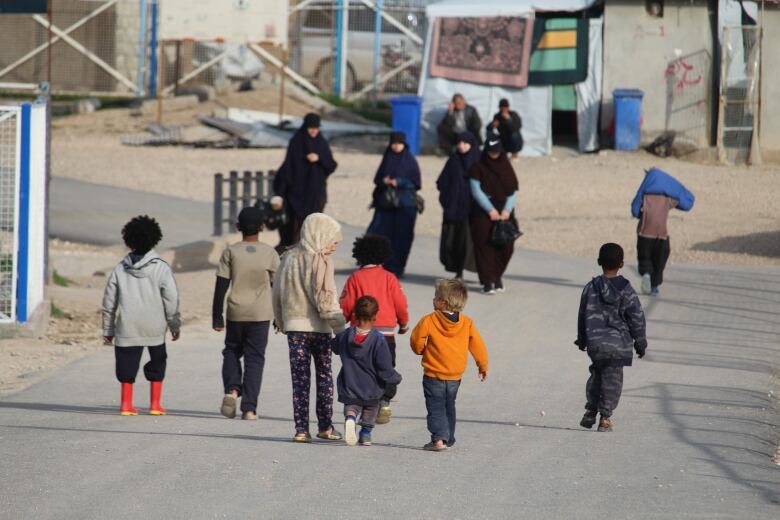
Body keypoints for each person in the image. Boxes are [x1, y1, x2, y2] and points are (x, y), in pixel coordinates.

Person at [272, 213, 346, 443]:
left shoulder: (289, 257)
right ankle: (325, 426)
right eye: (333, 240)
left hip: (295, 328)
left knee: (300, 380)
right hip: (320, 329)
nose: (334, 245)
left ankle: (301, 429)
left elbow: (277, 292)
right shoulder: (321, 261)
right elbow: (326, 300)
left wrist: (281, 321)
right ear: (320, 235)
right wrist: (341, 328)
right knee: (324, 377)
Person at [101, 215, 180, 416]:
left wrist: (108, 330)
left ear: (128, 240)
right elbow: (171, 300)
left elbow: (109, 302)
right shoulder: (161, 267)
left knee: (126, 366)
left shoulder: (119, 269)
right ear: (155, 238)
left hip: (128, 326)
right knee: (158, 363)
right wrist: (174, 324)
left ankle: (126, 404)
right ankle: (155, 404)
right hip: (154, 327)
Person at [213, 206, 280, 421]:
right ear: (262, 227)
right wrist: (280, 317)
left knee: (232, 350)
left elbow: (221, 285)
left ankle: (232, 390)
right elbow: (277, 287)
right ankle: (249, 409)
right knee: (255, 359)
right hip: (261, 314)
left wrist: (217, 316)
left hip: (235, 312)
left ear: (238, 227)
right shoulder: (269, 253)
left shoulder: (231, 251)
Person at [575, 243, 647, 432]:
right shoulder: (626, 290)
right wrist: (640, 343)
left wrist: (582, 339)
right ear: (622, 264)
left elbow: (582, 315)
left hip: (596, 345)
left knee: (597, 375)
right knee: (612, 381)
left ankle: (590, 410)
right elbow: (636, 318)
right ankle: (605, 418)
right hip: (618, 346)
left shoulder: (591, 288)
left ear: (599, 262)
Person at [410, 278, 488, 451]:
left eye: (436, 297)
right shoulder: (466, 323)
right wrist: (482, 365)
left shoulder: (429, 320)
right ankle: (449, 437)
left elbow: (416, 340)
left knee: (435, 406)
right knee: (449, 405)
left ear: (443, 302)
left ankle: (439, 439)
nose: (433, 299)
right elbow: (478, 345)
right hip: (455, 375)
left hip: (433, 374)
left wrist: (421, 350)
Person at [339, 234, 409, 424]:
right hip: (385, 334)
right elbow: (400, 303)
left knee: (361, 369)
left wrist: (342, 323)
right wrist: (403, 323)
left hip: (360, 332)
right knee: (385, 367)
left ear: (359, 254)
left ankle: (359, 405)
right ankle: (384, 402)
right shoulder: (389, 278)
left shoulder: (355, 278)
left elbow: (346, 304)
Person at [333, 296, 403, 447]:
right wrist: (395, 378)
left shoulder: (345, 335)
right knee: (371, 410)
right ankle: (365, 434)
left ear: (355, 315)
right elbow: (384, 367)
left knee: (351, 407)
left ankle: (350, 419)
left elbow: (335, 348)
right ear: (375, 316)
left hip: (349, 384)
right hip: (372, 388)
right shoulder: (378, 339)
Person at [273, 113, 338, 253]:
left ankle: (310, 252)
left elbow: (331, 165)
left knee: (313, 224)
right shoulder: (297, 141)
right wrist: (281, 192)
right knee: (294, 227)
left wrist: (319, 158)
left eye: (316, 128)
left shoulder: (322, 143)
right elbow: (289, 166)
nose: (314, 131)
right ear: (305, 127)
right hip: (297, 194)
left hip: (316, 193)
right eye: (311, 128)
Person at [631, 167, 695, 296]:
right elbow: (684, 203)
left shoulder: (644, 195)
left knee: (645, 257)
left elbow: (635, 210)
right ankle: (654, 287)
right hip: (661, 235)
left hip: (645, 234)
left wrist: (640, 214)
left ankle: (647, 274)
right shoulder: (667, 198)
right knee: (659, 260)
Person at [468, 138, 519, 295]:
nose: (493, 155)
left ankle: (497, 276)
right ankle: (487, 281)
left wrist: (506, 210)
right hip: (483, 214)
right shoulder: (477, 168)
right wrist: (490, 210)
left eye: (496, 151)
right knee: (484, 247)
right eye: (491, 151)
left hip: (505, 213)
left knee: (506, 246)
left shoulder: (507, 168)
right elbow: (476, 190)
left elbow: (513, 190)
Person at [367, 132, 421, 278]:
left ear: (404, 144)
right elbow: (377, 179)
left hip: (404, 206)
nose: (396, 146)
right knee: (379, 234)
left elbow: (416, 182)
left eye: (399, 143)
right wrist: (384, 181)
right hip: (385, 204)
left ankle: (397, 268)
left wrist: (399, 182)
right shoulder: (387, 157)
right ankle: (376, 266)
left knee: (401, 237)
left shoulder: (409, 160)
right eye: (394, 143)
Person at [436, 132, 480, 279]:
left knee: (470, 242)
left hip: (472, 211)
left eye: (465, 143)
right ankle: (458, 271)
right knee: (454, 241)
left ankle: (481, 272)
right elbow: (442, 182)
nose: (461, 146)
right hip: (453, 209)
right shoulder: (453, 160)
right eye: (459, 143)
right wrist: (447, 200)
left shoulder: (478, 161)